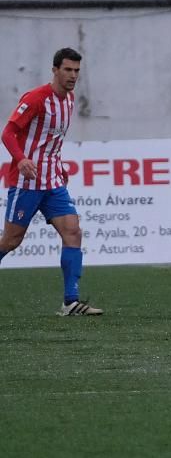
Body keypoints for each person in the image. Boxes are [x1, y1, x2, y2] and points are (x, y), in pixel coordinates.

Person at [0, 47, 100, 315]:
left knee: (73, 231)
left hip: (53, 181)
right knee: (10, 241)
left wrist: (59, 166)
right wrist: (21, 159)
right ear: (55, 70)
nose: (72, 75)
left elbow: (51, 141)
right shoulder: (36, 98)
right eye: (67, 69)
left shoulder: (68, 100)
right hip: (26, 182)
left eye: (77, 71)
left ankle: (71, 302)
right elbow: (8, 133)